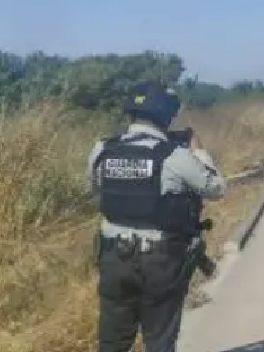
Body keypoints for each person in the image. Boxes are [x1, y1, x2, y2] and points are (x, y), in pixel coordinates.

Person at [88, 83, 226, 352]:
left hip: (113, 256)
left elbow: (94, 188)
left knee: (112, 341)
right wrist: (198, 151)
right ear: (165, 117)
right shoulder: (175, 156)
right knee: (159, 340)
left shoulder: (103, 149)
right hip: (159, 260)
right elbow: (216, 188)